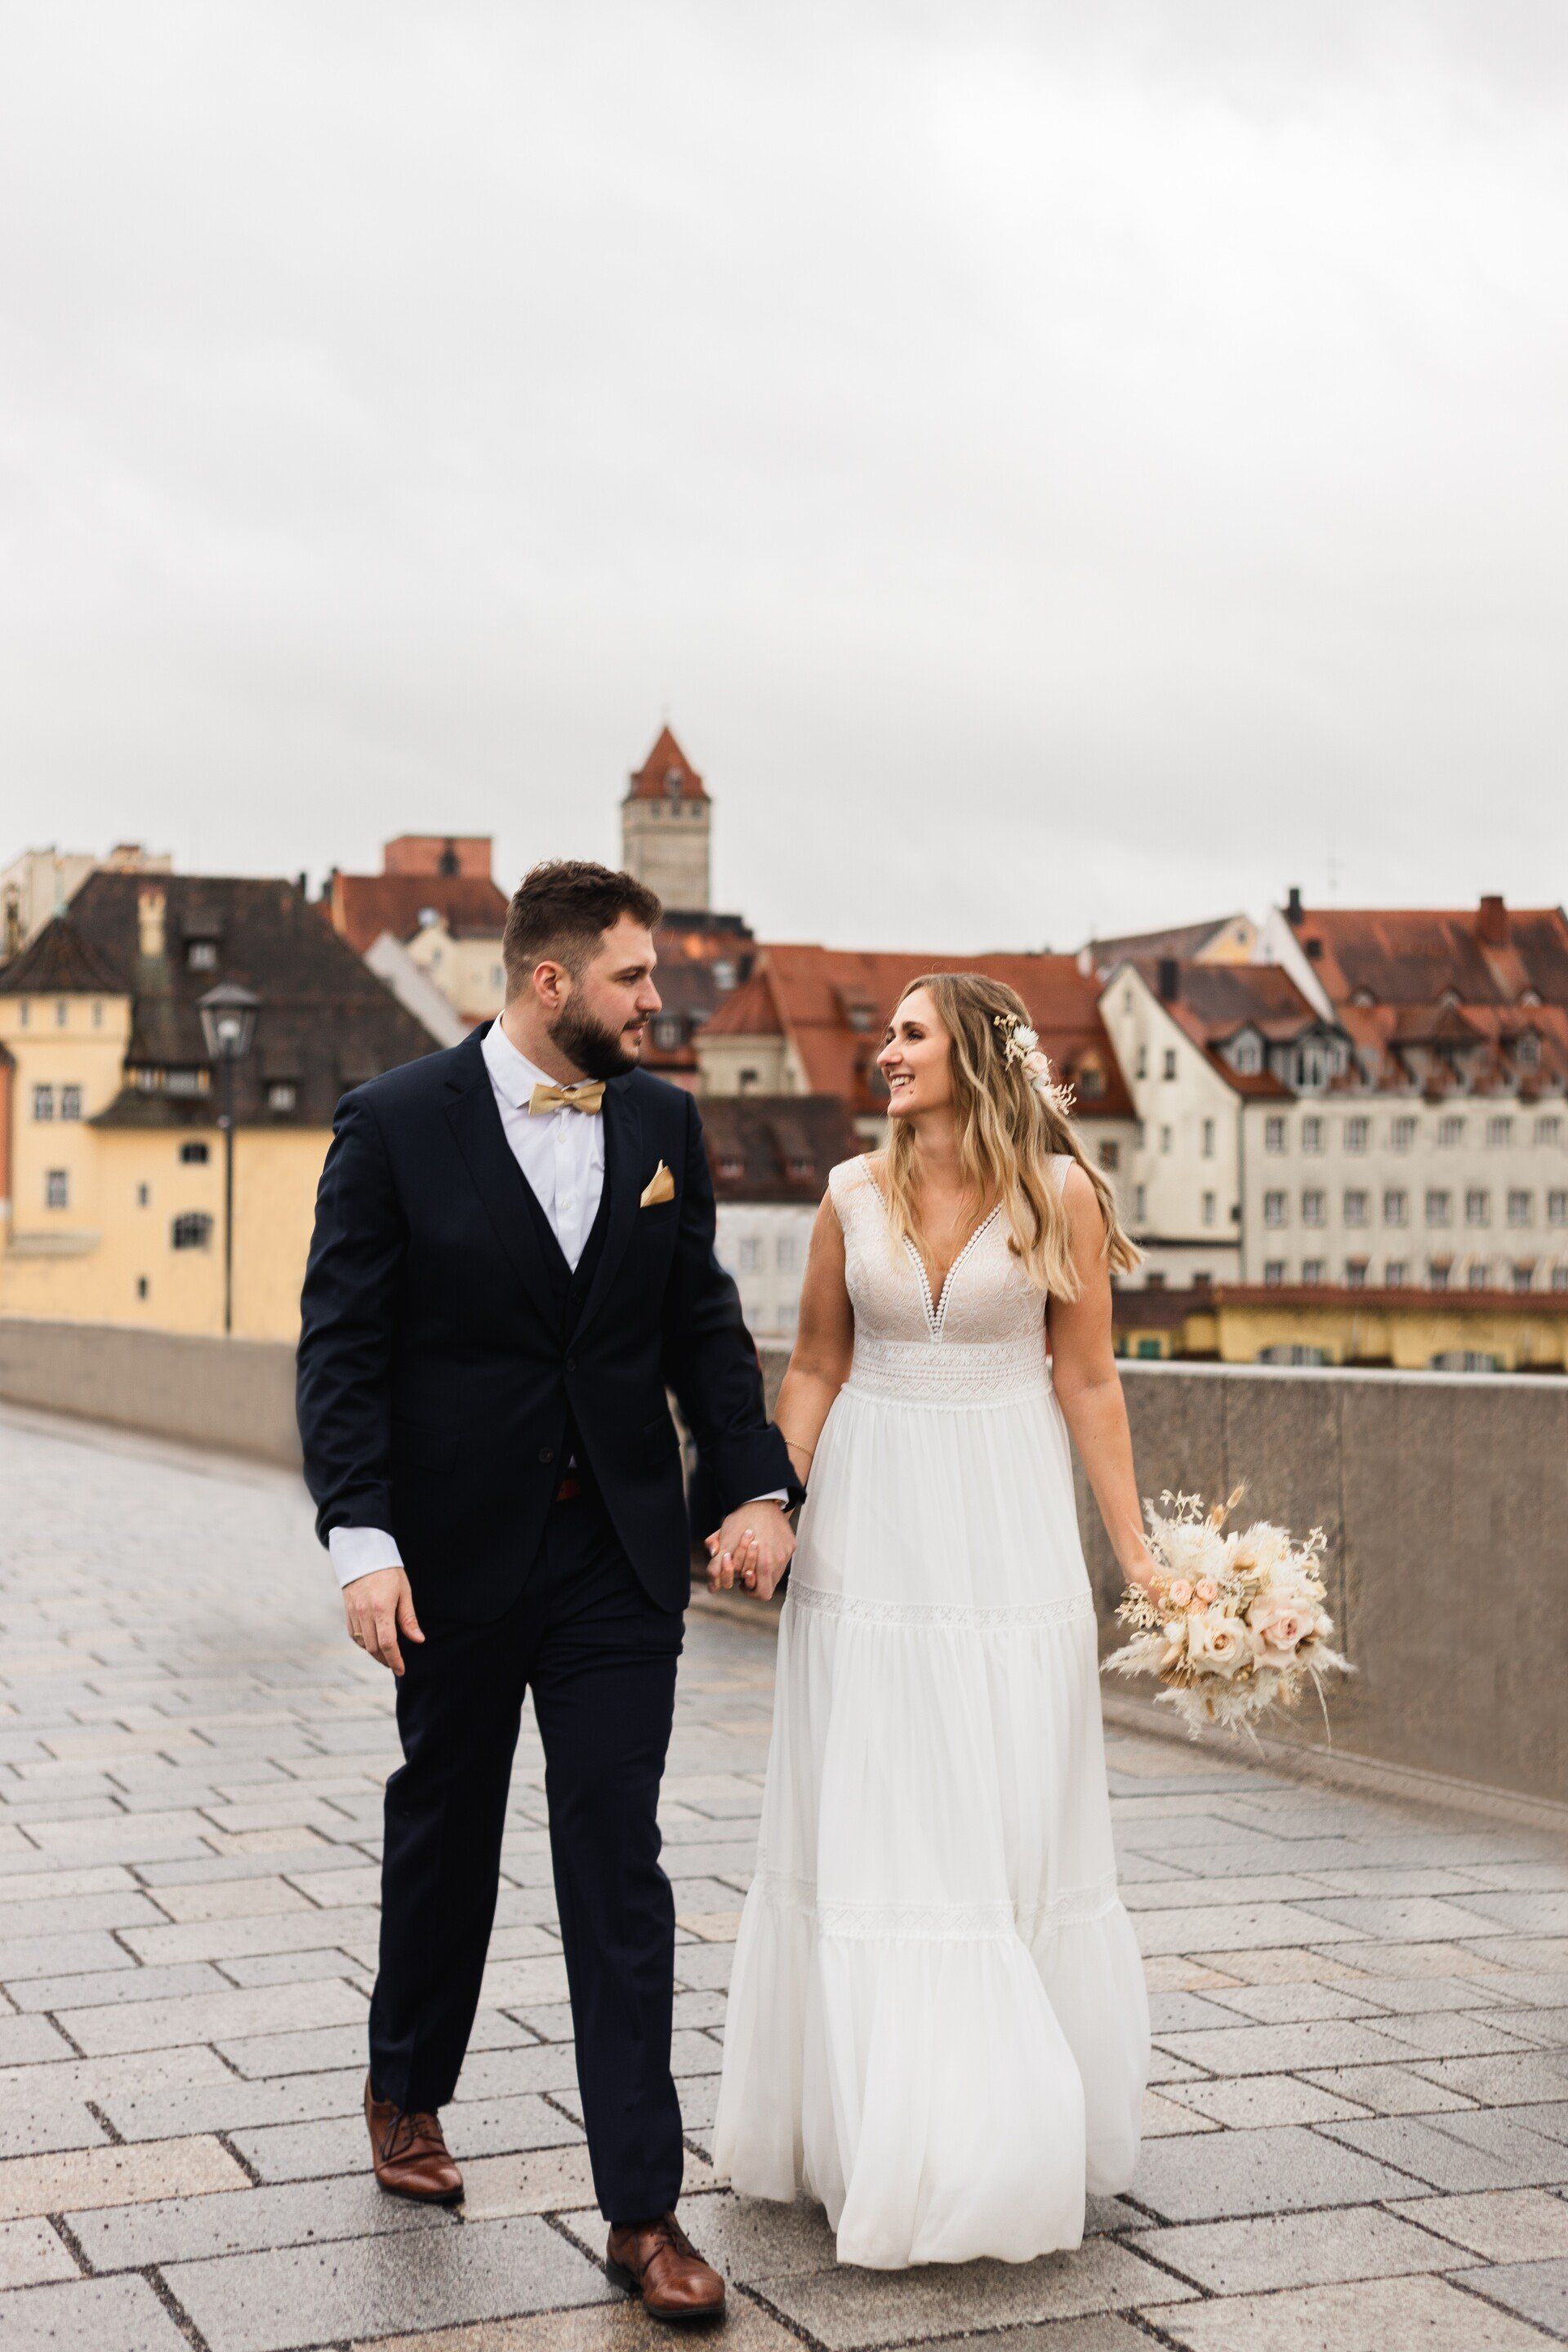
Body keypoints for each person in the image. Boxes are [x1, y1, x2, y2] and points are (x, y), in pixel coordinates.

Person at [296, 860, 797, 2326]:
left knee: (614, 1860)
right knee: (447, 1832)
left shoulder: (661, 1122)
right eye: (638, 977)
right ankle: (407, 2088)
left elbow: (704, 1329)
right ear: (550, 981)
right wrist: (361, 1541)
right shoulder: (393, 1126)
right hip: (447, 1562)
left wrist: (755, 1485)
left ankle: (643, 2215)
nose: (661, 1000)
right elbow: (340, 1353)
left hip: (616, 1566)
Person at [712, 971, 1154, 2269]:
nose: (883, 1052)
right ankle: (894, 2131)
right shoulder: (850, 1194)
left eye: (908, 1035)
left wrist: (1138, 1560)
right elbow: (815, 1365)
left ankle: (1001, 2124)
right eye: (887, 1034)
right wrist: (769, 1502)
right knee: (894, 1820)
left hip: (1009, 1539)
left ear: (970, 1053)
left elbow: (1089, 1382)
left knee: (999, 1816)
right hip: (876, 1535)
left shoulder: (1060, 1195)